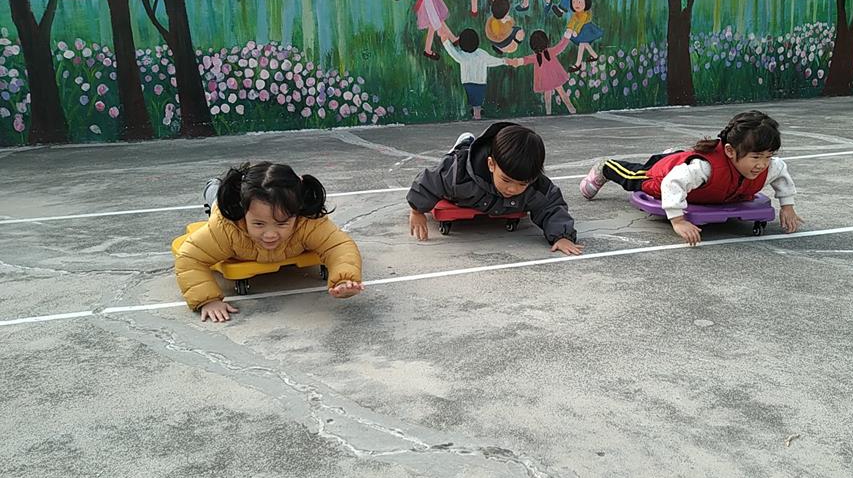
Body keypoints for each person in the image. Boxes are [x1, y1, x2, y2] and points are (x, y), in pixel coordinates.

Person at [579, 110, 804, 245]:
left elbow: (781, 173)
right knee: (636, 177)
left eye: (768, 156)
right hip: (666, 174)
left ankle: (675, 154)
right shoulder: (705, 168)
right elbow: (672, 183)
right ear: (729, 151)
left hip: (698, 176)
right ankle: (605, 167)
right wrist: (678, 221)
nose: (763, 164)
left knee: (686, 164)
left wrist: (788, 206)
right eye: (756, 157)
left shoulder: (770, 166)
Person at [175, 162, 363, 322]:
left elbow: (339, 246)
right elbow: (190, 257)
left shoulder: (309, 222)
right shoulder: (225, 227)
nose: (270, 234)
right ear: (243, 213)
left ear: (297, 212)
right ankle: (213, 185)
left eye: (282, 223)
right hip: (226, 202)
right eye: (258, 224)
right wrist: (207, 300)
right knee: (218, 194)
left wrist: (344, 278)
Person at [407, 122, 583, 255]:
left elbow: (551, 204)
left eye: (522, 184)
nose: (512, 189)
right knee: (456, 155)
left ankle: (469, 144)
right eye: (506, 180)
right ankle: (464, 143)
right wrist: (417, 210)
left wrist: (562, 236)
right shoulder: (458, 173)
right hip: (465, 158)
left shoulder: (534, 183)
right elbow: (430, 180)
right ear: (491, 164)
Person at [441, 28, 508, 121]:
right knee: (477, 103)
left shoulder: (461, 55)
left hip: (467, 83)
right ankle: (477, 114)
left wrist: (445, 41)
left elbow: (452, 51)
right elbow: (492, 61)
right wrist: (504, 61)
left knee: (470, 100)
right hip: (481, 84)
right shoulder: (481, 53)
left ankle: (475, 114)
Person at [507, 29, 577, 115]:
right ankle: (571, 109)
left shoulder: (535, 57)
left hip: (546, 81)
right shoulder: (550, 52)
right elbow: (561, 46)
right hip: (555, 78)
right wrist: (567, 35)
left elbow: (524, 60)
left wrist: (514, 62)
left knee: (548, 97)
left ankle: (549, 113)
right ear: (546, 42)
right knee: (562, 93)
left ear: (533, 46)